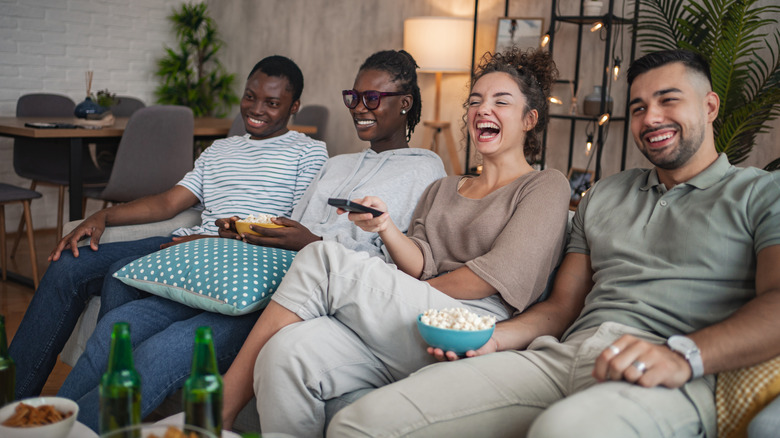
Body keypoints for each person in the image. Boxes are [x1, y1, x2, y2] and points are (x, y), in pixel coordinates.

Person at [326, 49, 780, 438]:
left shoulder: (761, 193)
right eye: (639, 107)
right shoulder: (606, 194)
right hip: (560, 357)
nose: (651, 118)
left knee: (561, 431)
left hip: (662, 373)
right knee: (360, 421)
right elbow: (562, 307)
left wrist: (685, 356)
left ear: (710, 106)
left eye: (668, 101)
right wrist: (493, 340)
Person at [56, 49, 447, 432]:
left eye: (372, 98)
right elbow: (289, 223)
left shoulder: (424, 167)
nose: (359, 106)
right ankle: (50, 426)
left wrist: (307, 241)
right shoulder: (337, 164)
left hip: (290, 299)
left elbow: (394, 261)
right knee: (116, 327)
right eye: (354, 97)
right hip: (252, 269)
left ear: (405, 103)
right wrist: (240, 230)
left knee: (165, 349)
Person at [220, 47, 572, 437]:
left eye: (500, 102)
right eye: (475, 101)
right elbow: (419, 260)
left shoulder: (544, 185)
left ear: (529, 119)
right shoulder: (444, 187)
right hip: (413, 317)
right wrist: (386, 227)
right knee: (285, 354)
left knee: (324, 259)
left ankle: (216, 411)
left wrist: (396, 289)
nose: (482, 110)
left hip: (472, 324)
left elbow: (500, 275)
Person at [9, 55, 329, 400]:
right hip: (183, 244)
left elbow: (296, 227)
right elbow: (168, 203)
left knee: (119, 271)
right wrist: (103, 216)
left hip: (238, 256)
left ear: (293, 106)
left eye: (272, 103)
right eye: (250, 96)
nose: (256, 108)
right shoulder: (219, 149)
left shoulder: (308, 152)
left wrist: (219, 236)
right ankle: (11, 400)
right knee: (68, 264)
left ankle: (110, 396)